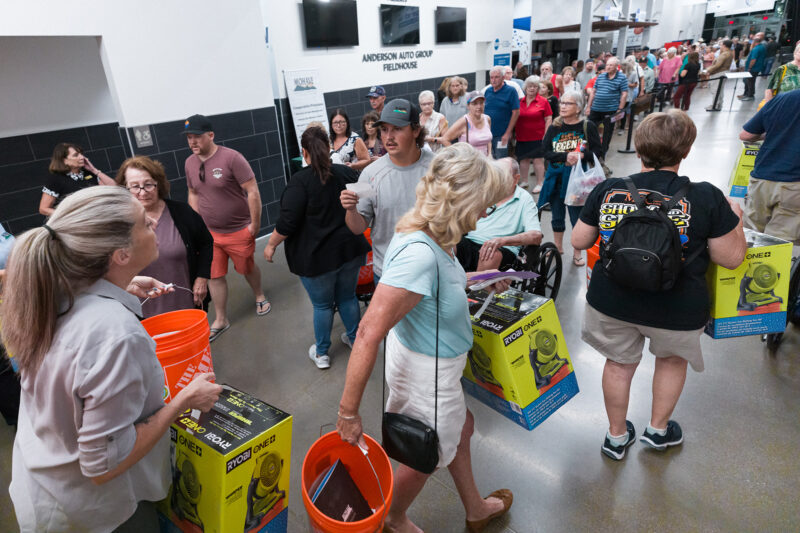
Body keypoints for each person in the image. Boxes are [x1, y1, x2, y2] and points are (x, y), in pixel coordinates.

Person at [4, 186, 222, 531]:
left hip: (44, 481)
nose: (153, 221)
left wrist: (119, 287)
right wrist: (183, 401)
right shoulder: (115, 334)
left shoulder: (51, 292)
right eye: (143, 223)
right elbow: (104, 465)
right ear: (120, 254)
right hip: (95, 513)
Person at [336, 144, 514, 533]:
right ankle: (392, 518)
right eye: (484, 203)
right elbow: (368, 332)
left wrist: (476, 279)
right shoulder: (420, 252)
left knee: (460, 427)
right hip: (426, 373)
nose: (487, 212)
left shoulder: (431, 231)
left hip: (427, 360)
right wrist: (348, 413)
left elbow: (432, 287)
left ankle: (475, 508)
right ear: (462, 201)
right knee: (425, 454)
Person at [571, 110, 746, 461]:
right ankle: (658, 430)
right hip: (676, 307)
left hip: (612, 301)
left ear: (639, 149)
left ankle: (616, 437)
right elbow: (731, 258)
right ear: (686, 150)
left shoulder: (609, 188)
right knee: (670, 362)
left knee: (618, 366)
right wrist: (736, 218)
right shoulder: (706, 197)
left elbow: (578, 240)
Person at [264, 127, 371, 369]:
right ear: (328, 148)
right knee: (347, 297)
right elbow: (365, 196)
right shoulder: (345, 173)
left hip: (317, 259)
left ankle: (322, 353)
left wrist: (270, 245)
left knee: (323, 305)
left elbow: (287, 223)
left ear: (304, 152)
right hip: (349, 251)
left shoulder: (299, 182)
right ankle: (355, 339)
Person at [183, 114, 270, 342]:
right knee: (214, 275)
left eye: (197, 137)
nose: (192, 142)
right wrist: (195, 226)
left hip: (238, 229)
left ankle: (259, 294)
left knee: (246, 268)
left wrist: (255, 225)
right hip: (209, 234)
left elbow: (252, 191)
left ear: (211, 135)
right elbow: (193, 193)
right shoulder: (189, 163)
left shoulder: (232, 158)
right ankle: (221, 318)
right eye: (189, 138)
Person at [340, 99, 435, 282]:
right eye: (384, 130)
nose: (389, 137)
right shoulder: (370, 174)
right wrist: (351, 209)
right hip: (388, 272)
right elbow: (358, 228)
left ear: (416, 130)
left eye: (397, 129)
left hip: (431, 269)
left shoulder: (438, 168)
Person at [116, 156, 213, 319]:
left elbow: (206, 243)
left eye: (148, 184)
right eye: (134, 186)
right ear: (125, 189)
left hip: (185, 303)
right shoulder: (119, 223)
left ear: (158, 184)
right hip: (142, 312)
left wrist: (202, 277)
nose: (142, 192)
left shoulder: (181, 212)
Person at [540, 90, 602, 266]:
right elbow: (545, 151)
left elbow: (598, 151)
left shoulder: (586, 126)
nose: (563, 106)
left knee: (578, 217)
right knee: (556, 216)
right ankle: (558, 247)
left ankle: (577, 253)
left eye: (568, 103)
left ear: (578, 107)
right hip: (556, 180)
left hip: (578, 183)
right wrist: (565, 157)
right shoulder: (555, 127)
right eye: (562, 103)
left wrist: (582, 156)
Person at [456, 157, 543, 271]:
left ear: (516, 179)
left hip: (500, 248)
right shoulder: (484, 192)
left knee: (490, 254)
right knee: (448, 243)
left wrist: (502, 240)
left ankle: (480, 288)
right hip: (470, 240)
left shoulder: (524, 199)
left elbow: (536, 236)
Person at [739, 90, 800, 245]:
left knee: (750, 236)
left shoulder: (783, 98)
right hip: (794, 185)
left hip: (762, 178)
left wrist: (772, 134)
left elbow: (746, 135)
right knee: (779, 243)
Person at [39, 142, 116, 216]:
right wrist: (70, 216)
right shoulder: (56, 179)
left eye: (81, 154)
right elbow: (43, 209)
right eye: (76, 155)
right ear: (64, 160)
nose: (82, 157)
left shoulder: (88, 173)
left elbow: (114, 188)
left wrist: (94, 170)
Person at [515, 75, 552, 193]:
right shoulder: (519, 101)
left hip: (538, 137)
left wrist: (546, 135)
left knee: (537, 161)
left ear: (538, 89)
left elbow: (548, 119)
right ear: (525, 88)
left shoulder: (543, 101)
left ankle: (540, 183)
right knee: (523, 160)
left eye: (535, 87)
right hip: (522, 136)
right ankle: (524, 181)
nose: (532, 89)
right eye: (530, 86)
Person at [586, 57, 628, 156]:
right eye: (607, 65)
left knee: (607, 132)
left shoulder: (622, 77)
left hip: (611, 109)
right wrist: (588, 107)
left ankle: (603, 152)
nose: (608, 67)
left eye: (611, 65)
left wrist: (620, 109)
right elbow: (593, 92)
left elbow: (624, 94)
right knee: (589, 128)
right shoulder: (601, 76)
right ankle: (592, 149)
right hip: (596, 108)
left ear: (616, 67)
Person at [483, 66, 520, 158]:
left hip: (502, 135)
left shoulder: (511, 91)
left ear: (503, 77)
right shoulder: (488, 91)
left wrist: (508, 133)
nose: (493, 80)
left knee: (501, 161)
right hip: (487, 134)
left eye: (496, 77)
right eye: (491, 77)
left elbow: (516, 112)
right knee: (489, 160)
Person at [444, 91, 493, 157]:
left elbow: (488, 140)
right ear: (468, 106)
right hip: (469, 163)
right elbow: (445, 139)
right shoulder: (464, 121)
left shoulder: (487, 119)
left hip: (485, 162)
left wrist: (490, 154)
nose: (479, 106)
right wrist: (456, 156)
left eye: (481, 103)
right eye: (474, 104)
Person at [704, 39, 734, 111]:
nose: (720, 46)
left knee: (716, 90)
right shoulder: (729, 53)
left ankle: (715, 105)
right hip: (723, 72)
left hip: (719, 73)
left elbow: (718, 65)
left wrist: (708, 70)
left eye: (721, 45)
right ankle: (718, 104)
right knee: (720, 90)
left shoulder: (725, 54)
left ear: (724, 45)